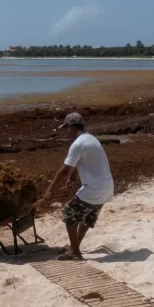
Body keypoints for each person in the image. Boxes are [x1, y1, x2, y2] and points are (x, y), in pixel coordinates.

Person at [42, 112, 114, 261]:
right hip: (107, 189)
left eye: (66, 128)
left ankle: (74, 251)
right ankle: (74, 247)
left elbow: (63, 171)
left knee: (69, 214)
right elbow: (78, 164)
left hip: (94, 190)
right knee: (86, 218)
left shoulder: (78, 144)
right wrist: (73, 177)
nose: (65, 132)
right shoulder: (91, 139)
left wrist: (50, 190)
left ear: (72, 126)